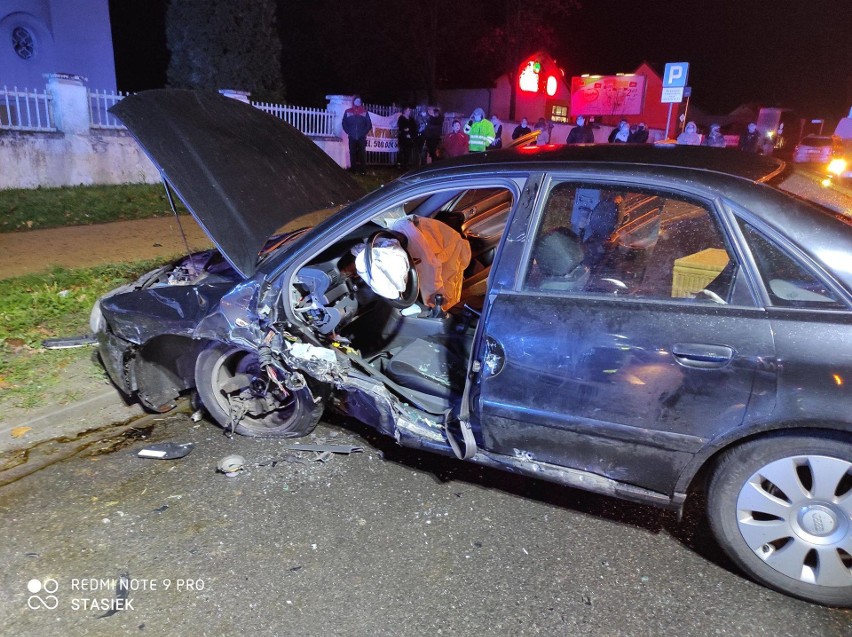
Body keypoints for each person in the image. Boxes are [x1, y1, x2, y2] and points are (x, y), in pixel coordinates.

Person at [341, 96, 372, 174]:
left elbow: (369, 124)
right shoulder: (347, 111)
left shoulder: (364, 112)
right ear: (353, 101)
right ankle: (353, 170)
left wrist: (363, 133)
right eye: (356, 100)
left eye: (359, 101)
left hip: (361, 137)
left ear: (361, 102)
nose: (358, 102)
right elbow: (344, 123)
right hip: (352, 137)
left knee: (362, 154)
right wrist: (349, 132)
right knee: (352, 153)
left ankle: (363, 171)